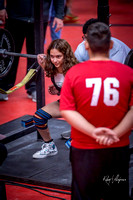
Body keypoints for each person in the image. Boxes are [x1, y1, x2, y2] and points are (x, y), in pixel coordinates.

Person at [60, 22, 133, 200]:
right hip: (116, 147)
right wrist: (115, 133)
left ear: (86, 44)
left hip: (84, 148)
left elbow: (67, 110)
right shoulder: (127, 73)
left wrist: (93, 132)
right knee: (116, 195)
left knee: (84, 195)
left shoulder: (74, 73)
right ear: (111, 44)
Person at [0, 0, 64, 101]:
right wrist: (1, 7)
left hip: (40, 18)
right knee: (8, 53)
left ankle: (33, 87)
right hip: (15, 16)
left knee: (36, 55)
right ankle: (3, 86)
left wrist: (59, 15)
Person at [32, 39, 79, 159]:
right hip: (66, 103)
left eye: (59, 56)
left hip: (81, 106)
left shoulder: (75, 69)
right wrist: (59, 90)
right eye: (52, 56)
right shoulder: (51, 66)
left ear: (66, 55)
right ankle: (50, 146)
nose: (55, 60)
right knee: (39, 116)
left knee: (75, 147)